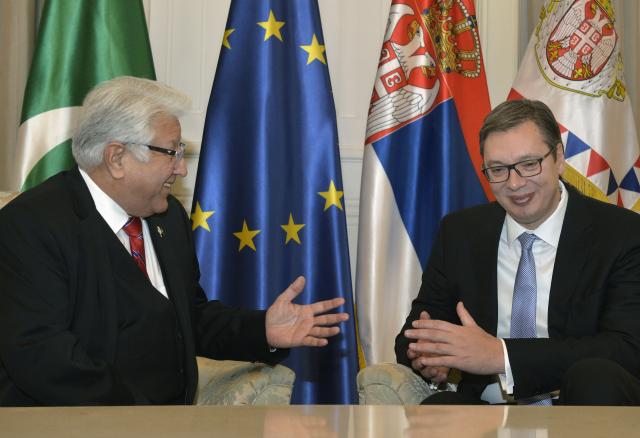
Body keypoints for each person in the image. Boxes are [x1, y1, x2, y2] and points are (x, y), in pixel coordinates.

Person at [0, 76, 348, 406]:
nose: (181, 169)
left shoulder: (167, 217)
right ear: (117, 157)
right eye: (172, 152)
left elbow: (188, 318)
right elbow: (42, 355)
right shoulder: (30, 225)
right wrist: (145, 418)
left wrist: (262, 330)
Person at [396, 99, 640, 405]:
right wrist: (429, 355)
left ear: (559, 158)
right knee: (439, 408)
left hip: (578, 403)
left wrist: (502, 356)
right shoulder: (460, 233)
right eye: (498, 169)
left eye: (528, 164)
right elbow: (415, 333)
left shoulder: (622, 234)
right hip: (488, 411)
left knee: (595, 379)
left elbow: (626, 348)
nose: (514, 183)